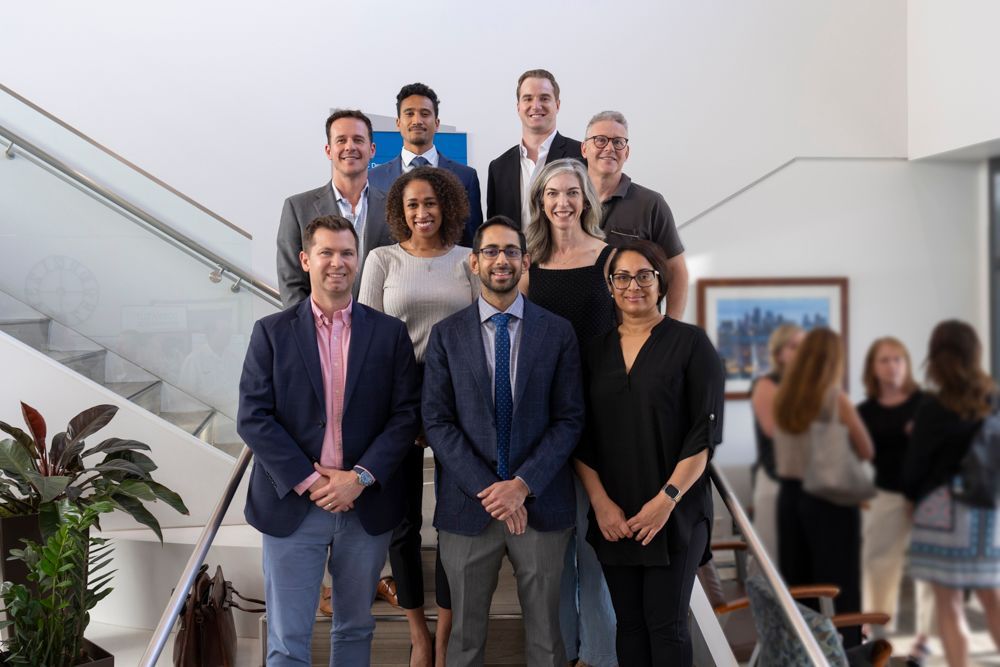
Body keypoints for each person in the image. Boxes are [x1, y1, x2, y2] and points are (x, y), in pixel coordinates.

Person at [239, 215, 421, 665]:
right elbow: (253, 417)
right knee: (287, 639)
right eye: (326, 252)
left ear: (357, 261)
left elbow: (405, 418)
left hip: (365, 506)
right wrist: (310, 480)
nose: (337, 263)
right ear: (305, 260)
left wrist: (357, 478)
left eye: (346, 253)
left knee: (356, 629)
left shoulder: (389, 333)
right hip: (293, 504)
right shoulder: (271, 333)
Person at [422, 216, 584, 667]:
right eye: (491, 251)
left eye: (511, 251)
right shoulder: (446, 335)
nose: (501, 260)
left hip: (542, 505)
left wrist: (522, 485)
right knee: (465, 641)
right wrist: (492, 490)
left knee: (549, 640)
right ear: (474, 262)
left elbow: (570, 420)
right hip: (468, 507)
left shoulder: (557, 332)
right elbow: (437, 421)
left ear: (525, 261)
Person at [575, 240, 725, 666]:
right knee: (630, 625)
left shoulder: (692, 344)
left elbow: (705, 434)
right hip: (615, 516)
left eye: (644, 275)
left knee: (668, 624)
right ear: (609, 286)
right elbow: (581, 434)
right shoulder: (594, 352)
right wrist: (601, 505)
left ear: (660, 282)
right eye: (621, 277)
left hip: (676, 512)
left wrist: (666, 501)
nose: (633, 285)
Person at [359, 166, 479, 667]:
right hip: (397, 396)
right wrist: (400, 412)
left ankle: (447, 631)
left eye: (430, 203)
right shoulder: (381, 259)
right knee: (404, 523)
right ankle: (418, 632)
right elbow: (366, 338)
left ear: (447, 205)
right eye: (412, 205)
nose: (422, 212)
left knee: (452, 522)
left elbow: (479, 334)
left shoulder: (467, 260)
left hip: (457, 396)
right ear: (399, 211)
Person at [518, 157, 617, 667]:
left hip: (602, 419)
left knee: (596, 553)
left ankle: (601, 658)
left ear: (586, 199)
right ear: (540, 201)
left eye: (572, 193)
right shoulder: (529, 263)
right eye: (552, 193)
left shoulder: (610, 257)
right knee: (553, 559)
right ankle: (562, 656)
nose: (562, 202)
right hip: (547, 423)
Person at [903, 321, 1000, 667]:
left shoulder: (934, 407)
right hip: (989, 510)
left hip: (943, 511)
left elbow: (915, 467)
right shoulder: (994, 399)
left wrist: (910, 499)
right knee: (992, 596)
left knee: (950, 603)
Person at [773, 327, 874, 648]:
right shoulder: (834, 398)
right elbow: (867, 449)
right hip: (829, 501)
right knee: (840, 586)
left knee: (802, 584)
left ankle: (808, 651)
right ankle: (845, 653)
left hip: (789, 499)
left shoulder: (784, 398)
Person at [857, 337, 935, 660]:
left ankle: (924, 641)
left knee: (929, 571)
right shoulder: (865, 410)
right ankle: (877, 632)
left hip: (928, 498)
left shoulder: (927, 403)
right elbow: (853, 455)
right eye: (885, 360)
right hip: (887, 495)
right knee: (878, 566)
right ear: (873, 368)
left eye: (899, 359)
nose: (893, 366)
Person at [276, 110, 392, 307]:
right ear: (328, 150)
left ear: (372, 149)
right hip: (319, 330)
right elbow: (291, 282)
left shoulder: (394, 206)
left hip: (381, 327)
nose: (350, 147)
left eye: (358, 139)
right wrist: (309, 330)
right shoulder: (297, 208)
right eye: (341, 140)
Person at [582, 110, 688, 319]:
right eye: (600, 140)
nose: (610, 148)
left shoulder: (651, 204)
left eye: (618, 142)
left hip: (635, 331)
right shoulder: (566, 202)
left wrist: (672, 327)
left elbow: (676, 270)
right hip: (577, 330)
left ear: (627, 152)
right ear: (584, 149)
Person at [368, 82, 483, 247]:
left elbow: (473, 239)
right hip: (393, 270)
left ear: (436, 123)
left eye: (425, 113)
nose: (417, 120)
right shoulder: (374, 178)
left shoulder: (466, 177)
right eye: (409, 113)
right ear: (398, 123)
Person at [487, 69, 583, 229]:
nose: (536, 106)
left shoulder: (582, 155)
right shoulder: (498, 167)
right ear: (518, 107)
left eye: (544, 98)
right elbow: (495, 229)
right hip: (515, 254)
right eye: (528, 99)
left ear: (557, 105)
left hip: (568, 253)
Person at [749, 323, 804, 561]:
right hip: (775, 479)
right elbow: (775, 431)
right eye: (794, 347)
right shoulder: (766, 385)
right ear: (779, 353)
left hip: (808, 480)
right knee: (770, 554)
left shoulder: (814, 385)